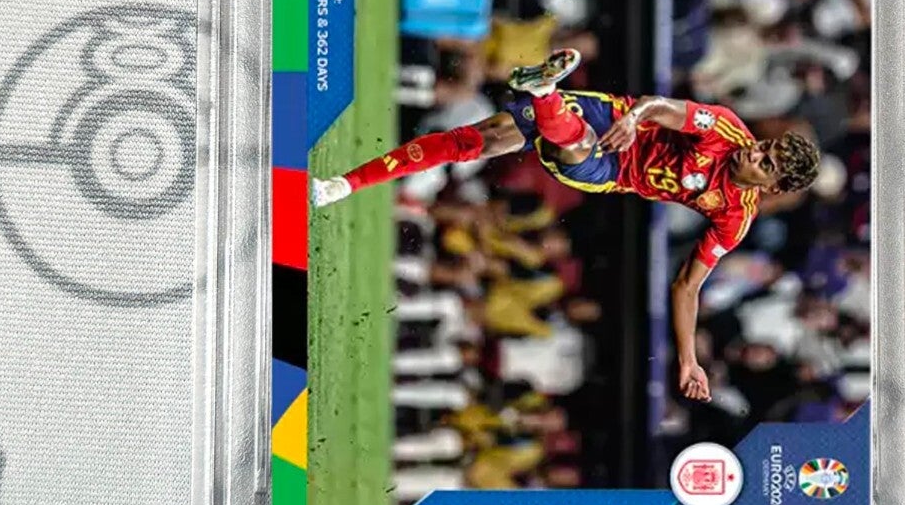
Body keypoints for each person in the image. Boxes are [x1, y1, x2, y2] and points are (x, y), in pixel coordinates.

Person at [310, 48, 820, 403]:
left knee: (572, 146)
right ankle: (343, 185)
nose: (755, 152)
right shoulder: (727, 129)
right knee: (473, 143)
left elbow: (687, 286)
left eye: (766, 163)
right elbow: (665, 108)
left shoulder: (734, 216)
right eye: (766, 146)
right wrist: (634, 117)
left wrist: (688, 360)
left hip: (610, 170)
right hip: (611, 116)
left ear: (772, 187)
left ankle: (547, 93)